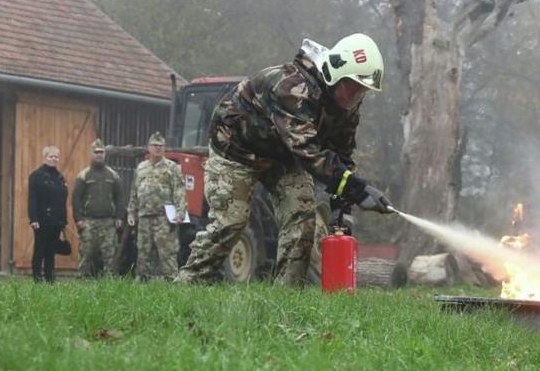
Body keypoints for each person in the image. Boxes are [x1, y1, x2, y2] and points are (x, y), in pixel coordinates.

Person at [177, 33, 392, 286]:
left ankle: (288, 294)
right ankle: (189, 282)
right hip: (236, 148)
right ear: (337, 71)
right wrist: (357, 187)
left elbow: (342, 154)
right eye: (352, 87)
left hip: (283, 155)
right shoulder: (292, 87)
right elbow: (308, 151)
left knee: (302, 216)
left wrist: (341, 207)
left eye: (361, 91)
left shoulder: (347, 105)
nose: (354, 96)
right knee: (231, 222)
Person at [127, 132, 186, 280]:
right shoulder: (141, 168)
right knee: (143, 253)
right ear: (149, 147)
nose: (158, 148)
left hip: (164, 218)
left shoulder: (172, 168)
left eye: (161, 146)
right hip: (144, 218)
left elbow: (179, 191)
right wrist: (131, 213)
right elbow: (134, 192)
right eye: (155, 145)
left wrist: (180, 212)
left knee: (167, 253)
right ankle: (142, 283)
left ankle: (172, 282)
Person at [72, 139, 124, 277]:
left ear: (105, 154)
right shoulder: (83, 175)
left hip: (108, 223)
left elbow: (120, 198)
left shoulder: (113, 176)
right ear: (91, 154)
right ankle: (82, 280)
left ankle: (109, 282)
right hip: (88, 222)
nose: (99, 155)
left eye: (101, 152)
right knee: (86, 254)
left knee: (110, 255)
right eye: (96, 152)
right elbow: (76, 199)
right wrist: (78, 219)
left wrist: (119, 218)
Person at [28, 146, 68, 282]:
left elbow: (63, 201)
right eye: (51, 156)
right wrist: (33, 218)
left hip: (56, 222)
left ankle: (50, 279)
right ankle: (37, 279)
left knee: (51, 252)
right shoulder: (36, 176)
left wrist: (63, 221)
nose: (54, 159)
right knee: (40, 250)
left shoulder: (60, 177)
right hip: (41, 221)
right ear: (44, 157)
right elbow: (32, 199)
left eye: (56, 156)